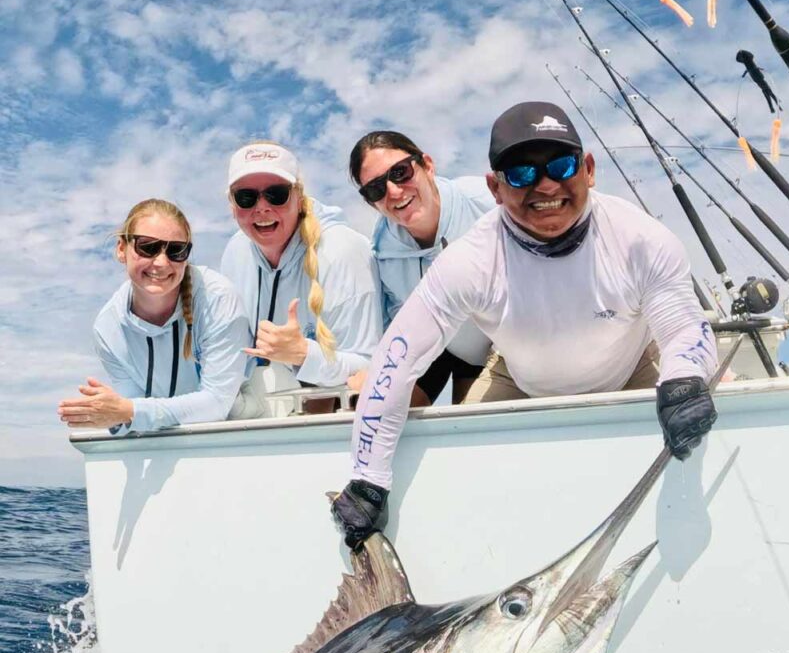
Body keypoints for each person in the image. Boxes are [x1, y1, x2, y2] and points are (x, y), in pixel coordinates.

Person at [331, 101, 719, 547]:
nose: (545, 185)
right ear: (495, 189)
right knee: (463, 480)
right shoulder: (470, 261)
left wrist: (684, 375)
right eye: (521, 174)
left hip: (630, 369)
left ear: (589, 170)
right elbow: (394, 362)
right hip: (517, 379)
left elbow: (684, 328)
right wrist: (368, 477)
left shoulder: (642, 238)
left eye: (561, 165)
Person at [58, 199, 254, 434]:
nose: (161, 262)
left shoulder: (218, 299)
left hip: (239, 433)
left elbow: (217, 403)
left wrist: (128, 412)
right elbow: (132, 413)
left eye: (176, 250)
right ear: (121, 249)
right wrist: (115, 417)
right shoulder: (108, 328)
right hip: (168, 441)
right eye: (148, 247)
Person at [220, 140, 382, 391]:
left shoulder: (342, 251)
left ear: (298, 196)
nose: (262, 207)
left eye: (276, 194)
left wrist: (304, 354)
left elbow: (368, 366)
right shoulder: (235, 251)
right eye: (246, 197)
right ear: (232, 206)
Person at [349, 131, 495, 404]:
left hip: (503, 341)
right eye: (376, 189)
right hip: (438, 344)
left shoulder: (487, 201)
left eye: (400, 172)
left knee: (473, 418)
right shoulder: (381, 252)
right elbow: (397, 324)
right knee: (370, 406)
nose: (394, 192)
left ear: (427, 165)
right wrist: (376, 372)